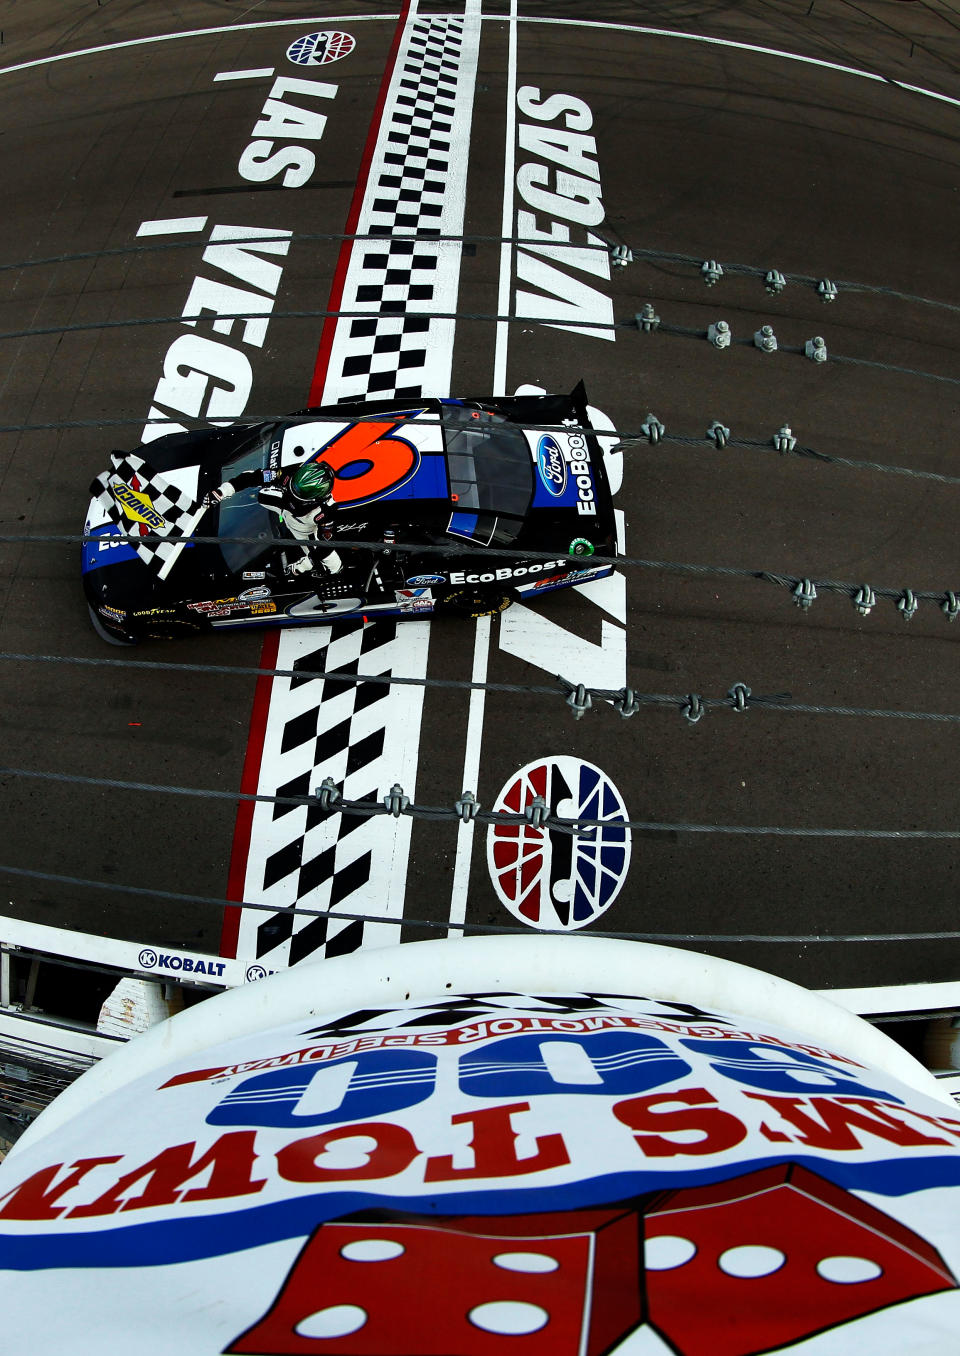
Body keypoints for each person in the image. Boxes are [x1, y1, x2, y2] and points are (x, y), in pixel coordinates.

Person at [207, 460, 343, 577]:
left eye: (298, 493)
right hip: (283, 507)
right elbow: (253, 476)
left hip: (304, 530)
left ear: (315, 499)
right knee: (262, 495)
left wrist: (302, 567)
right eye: (292, 486)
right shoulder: (291, 472)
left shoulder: (327, 510)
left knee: (334, 566)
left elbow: (326, 545)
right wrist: (222, 492)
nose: (292, 491)